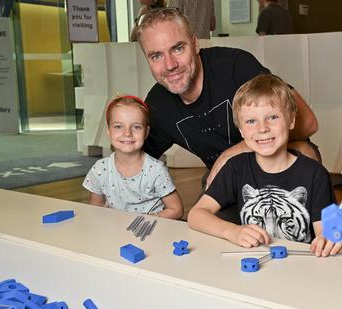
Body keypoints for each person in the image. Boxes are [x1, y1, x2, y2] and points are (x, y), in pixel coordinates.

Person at [134, 7, 319, 191]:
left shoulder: (235, 66)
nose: (170, 65)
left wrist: (232, 153)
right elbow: (134, 161)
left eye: (178, 48)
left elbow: (309, 123)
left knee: (305, 152)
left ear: (195, 44)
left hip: (278, 165)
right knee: (200, 218)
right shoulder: (158, 104)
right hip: (229, 180)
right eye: (156, 56)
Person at [188, 75, 342, 257]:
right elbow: (196, 215)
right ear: (241, 130)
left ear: (291, 120)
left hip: (301, 267)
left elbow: (333, 232)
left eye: (272, 117)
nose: (262, 128)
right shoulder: (236, 168)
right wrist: (232, 231)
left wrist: (330, 239)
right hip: (252, 263)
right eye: (251, 121)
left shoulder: (316, 174)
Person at [83, 95, 184, 219]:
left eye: (136, 127)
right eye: (118, 126)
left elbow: (176, 210)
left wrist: (147, 220)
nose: (127, 133)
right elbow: (95, 207)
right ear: (108, 130)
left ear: (146, 132)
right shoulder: (99, 169)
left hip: (148, 231)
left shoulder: (156, 170)